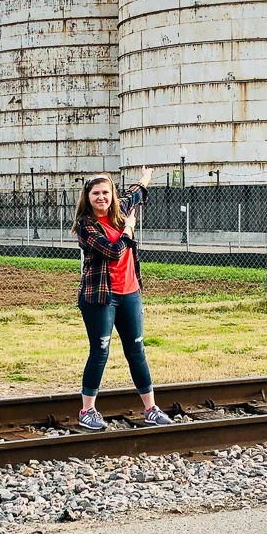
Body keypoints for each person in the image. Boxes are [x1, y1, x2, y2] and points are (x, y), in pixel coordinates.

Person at [72, 168, 172, 431]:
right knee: (100, 351)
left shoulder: (119, 212)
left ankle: (151, 408)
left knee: (137, 351)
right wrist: (129, 228)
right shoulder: (86, 225)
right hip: (101, 297)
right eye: (96, 193)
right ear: (88, 197)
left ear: (111, 195)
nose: (101, 197)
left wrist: (146, 177)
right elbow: (114, 251)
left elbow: (135, 194)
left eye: (105, 193)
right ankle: (87, 411)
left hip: (130, 294)